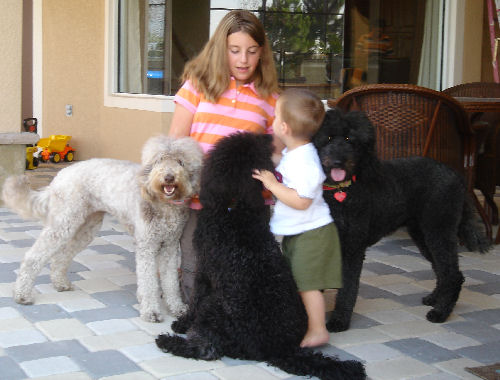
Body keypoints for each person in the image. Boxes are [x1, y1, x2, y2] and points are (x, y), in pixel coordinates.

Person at [168, 10, 283, 302]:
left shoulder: (270, 97)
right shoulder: (197, 84)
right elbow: (176, 142)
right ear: (222, 49)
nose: (243, 59)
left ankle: (237, 324)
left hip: (248, 203)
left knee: (244, 270)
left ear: (262, 53)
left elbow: (277, 154)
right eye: (235, 51)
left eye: (251, 51)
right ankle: (200, 322)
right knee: (197, 266)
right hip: (201, 198)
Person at [252, 88, 342, 348]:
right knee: (299, 279)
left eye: (275, 114)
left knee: (307, 283)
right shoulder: (296, 153)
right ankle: (307, 322)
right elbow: (282, 161)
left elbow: (301, 201)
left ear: (283, 126)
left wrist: (271, 184)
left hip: (313, 233)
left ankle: (318, 329)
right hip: (300, 232)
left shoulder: (307, 162)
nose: (272, 120)